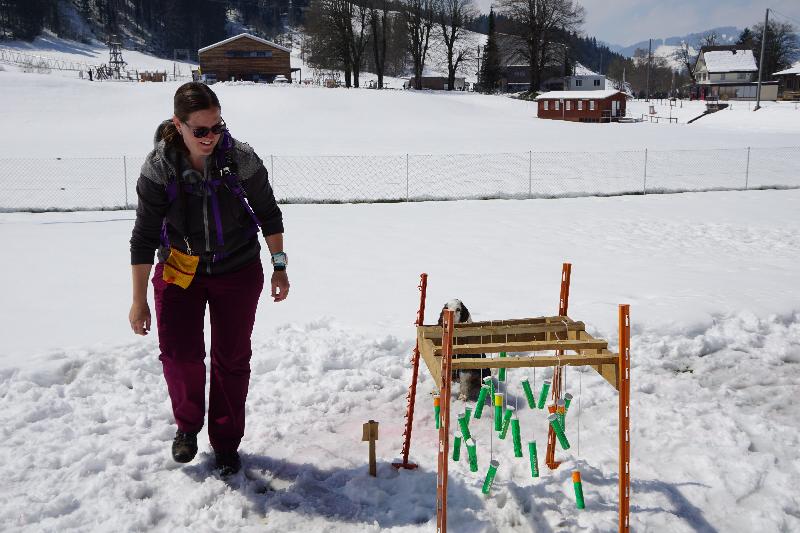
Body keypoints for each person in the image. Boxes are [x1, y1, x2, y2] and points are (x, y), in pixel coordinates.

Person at [129, 82, 289, 476]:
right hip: (178, 270)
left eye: (217, 127)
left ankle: (226, 442)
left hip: (237, 269)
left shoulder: (240, 158)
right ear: (178, 125)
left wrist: (279, 265)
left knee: (231, 359)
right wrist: (138, 300)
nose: (210, 137)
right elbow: (144, 237)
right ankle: (187, 427)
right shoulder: (160, 168)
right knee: (179, 355)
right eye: (200, 130)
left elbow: (269, 213)